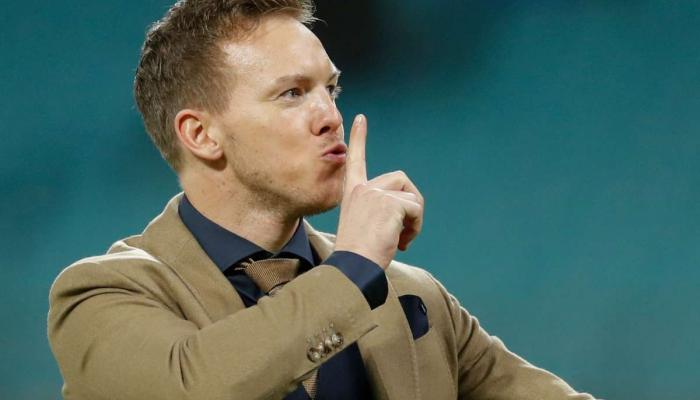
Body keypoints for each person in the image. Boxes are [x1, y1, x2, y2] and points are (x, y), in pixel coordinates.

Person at [47, 1, 597, 399]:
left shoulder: (414, 296)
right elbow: (194, 386)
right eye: (292, 93)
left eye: (330, 89)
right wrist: (352, 270)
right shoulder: (101, 295)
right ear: (201, 135)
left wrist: (358, 271)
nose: (330, 115)